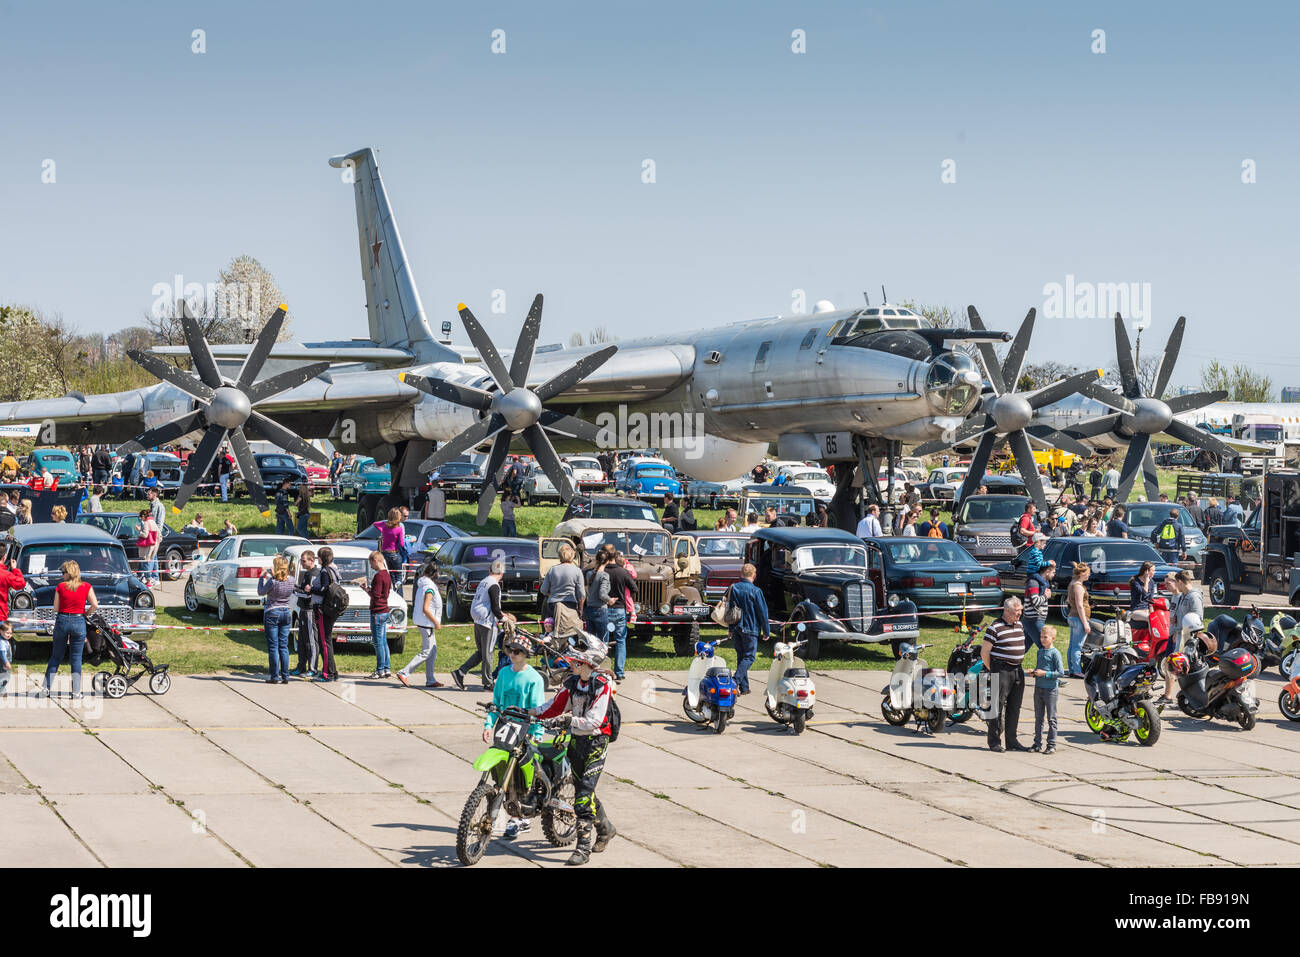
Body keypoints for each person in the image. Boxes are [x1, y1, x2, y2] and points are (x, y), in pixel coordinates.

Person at [532, 632, 617, 864]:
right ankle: (606, 828)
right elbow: (553, 707)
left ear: (587, 662)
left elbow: (594, 721)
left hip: (596, 744)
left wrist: (569, 721)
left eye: (576, 661)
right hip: (576, 742)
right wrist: (527, 712)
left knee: (582, 797)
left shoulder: (602, 685)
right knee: (584, 791)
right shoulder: (571, 682)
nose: (571, 663)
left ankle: (582, 849)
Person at [485, 630, 547, 839]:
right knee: (503, 773)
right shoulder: (503, 674)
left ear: (526, 654)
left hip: (525, 731)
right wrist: (488, 724)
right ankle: (508, 812)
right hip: (505, 728)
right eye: (510, 650)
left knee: (522, 775)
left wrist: (536, 732)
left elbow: (538, 708)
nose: (513, 654)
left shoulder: (534, 679)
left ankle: (520, 818)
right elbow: (496, 703)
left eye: (518, 651)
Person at [40, 560, 97, 699]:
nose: (62, 575)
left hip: (62, 620)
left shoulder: (60, 587)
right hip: (78, 621)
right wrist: (86, 614)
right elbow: (94, 604)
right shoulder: (86, 586)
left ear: (69, 573)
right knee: (76, 658)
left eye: (63, 572)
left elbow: (55, 608)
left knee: (56, 656)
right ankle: (76, 692)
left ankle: (45, 689)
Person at [450, 559, 507, 691]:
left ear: (489, 570)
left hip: (478, 619)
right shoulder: (494, 585)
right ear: (502, 573)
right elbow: (495, 607)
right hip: (487, 622)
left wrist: (499, 613)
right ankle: (488, 682)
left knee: (482, 652)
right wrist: (503, 619)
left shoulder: (484, 581)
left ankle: (460, 672)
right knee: (488, 653)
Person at [981, 596, 1028, 752]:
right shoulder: (995, 627)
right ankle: (994, 742)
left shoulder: (1019, 624)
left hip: (1017, 670)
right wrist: (992, 669)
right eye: (1016, 612)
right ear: (1006, 611)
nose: (1019, 614)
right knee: (997, 706)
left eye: (1020, 611)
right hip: (1001, 670)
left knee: (1015, 707)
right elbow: (985, 652)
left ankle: (1012, 741)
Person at [397, 558, 444, 688]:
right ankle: (404, 672)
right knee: (427, 651)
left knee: (432, 651)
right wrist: (436, 622)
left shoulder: (423, 584)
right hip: (427, 623)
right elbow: (426, 608)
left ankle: (430, 679)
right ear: (435, 574)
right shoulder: (429, 588)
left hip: (423, 622)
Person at [728, 562, 769, 695]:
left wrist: (730, 628)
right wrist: (766, 630)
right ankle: (735, 681)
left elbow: (731, 610)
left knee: (741, 657)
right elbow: (763, 612)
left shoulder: (735, 588)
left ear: (742, 574)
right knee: (749, 657)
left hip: (737, 627)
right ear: (754, 575)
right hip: (751, 627)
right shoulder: (756, 591)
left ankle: (744, 688)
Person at [257, 556, 296, 684]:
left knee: (273, 646)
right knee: (283, 646)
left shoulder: (273, 581)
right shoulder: (291, 580)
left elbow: (261, 592)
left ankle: (274, 676)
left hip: (272, 611)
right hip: (286, 612)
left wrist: (262, 577)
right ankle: (285, 676)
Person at [1029, 625, 1066, 754]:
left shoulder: (1055, 653)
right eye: (1041, 637)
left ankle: (1051, 744)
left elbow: (1060, 672)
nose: (1042, 639)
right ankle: (1037, 743)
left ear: (1053, 638)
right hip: (1038, 688)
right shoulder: (1040, 652)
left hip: (1051, 690)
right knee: (1038, 718)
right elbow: (1040, 668)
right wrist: (1034, 673)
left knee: (1051, 718)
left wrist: (1045, 674)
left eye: (1045, 637)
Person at [359, 550, 393, 679]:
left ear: (376, 560)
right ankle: (386, 668)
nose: (371, 566)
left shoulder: (379, 576)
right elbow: (381, 595)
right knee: (383, 641)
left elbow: (376, 596)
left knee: (378, 642)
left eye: (371, 563)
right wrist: (368, 589)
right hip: (384, 611)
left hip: (377, 612)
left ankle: (380, 670)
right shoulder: (387, 575)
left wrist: (368, 590)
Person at [310, 546, 341, 682]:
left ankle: (327, 673)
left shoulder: (324, 571)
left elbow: (324, 589)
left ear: (321, 558)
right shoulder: (334, 569)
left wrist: (311, 588)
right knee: (327, 640)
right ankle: (332, 671)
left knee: (324, 642)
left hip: (323, 609)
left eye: (318, 557)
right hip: (331, 609)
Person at [290, 550, 320, 678]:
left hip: (309, 611)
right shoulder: (307, 573)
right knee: (301, 640)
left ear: (312, 560)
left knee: (311, 641)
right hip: (302, 609)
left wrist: (294, 591)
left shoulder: (314, 574)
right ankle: (301, 666)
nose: (301, 563)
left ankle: (312, 668)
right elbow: (303, 590)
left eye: (303, 561)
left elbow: (308, 595)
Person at [541, 543, 586, 625]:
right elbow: (581, 594)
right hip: (570, 605)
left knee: (551, 631)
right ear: (572, 556)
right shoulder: (577, 571)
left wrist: (551, 594)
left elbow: (543, 590)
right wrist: (581, 610)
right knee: (569, 631)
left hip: (553, 604)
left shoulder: (552, 570)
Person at [1065, 562, 1092, 678]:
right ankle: (1076, 670)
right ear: (1082, 574)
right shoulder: (1078, 587)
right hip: (1078, 618)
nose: (1089, 575)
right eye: (1088, 573)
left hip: (1072, 616)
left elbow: (1068, 601)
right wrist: (1085, 623)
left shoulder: (1072, 584)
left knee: (1072, 645)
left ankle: (1072, 669)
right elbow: (1079, 605)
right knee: (1077, 646)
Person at [1022, 558, 1054, 651]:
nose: (1054, 575)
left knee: (1022, 648)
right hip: (1034, 620)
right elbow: (1035, 602)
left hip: (1034, 620)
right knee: (1046, 646)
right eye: (1053, 572)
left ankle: (1011, 664)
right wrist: (1045, 596)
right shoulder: (1034, 583)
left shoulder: (1041, 584)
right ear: (1047, 571)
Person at [135, 507, 160, 588]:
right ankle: (155, 578)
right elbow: (160, 535)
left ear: (143, 516)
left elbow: (145, 535)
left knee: (146, 562)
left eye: (140, 517)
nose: (140, 519)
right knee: (153, 561)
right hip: (154, 545)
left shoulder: (146, 523)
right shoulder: (153, 522)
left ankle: (148, 581)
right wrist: (156, 543)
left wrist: (139, 530)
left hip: (148, 546)